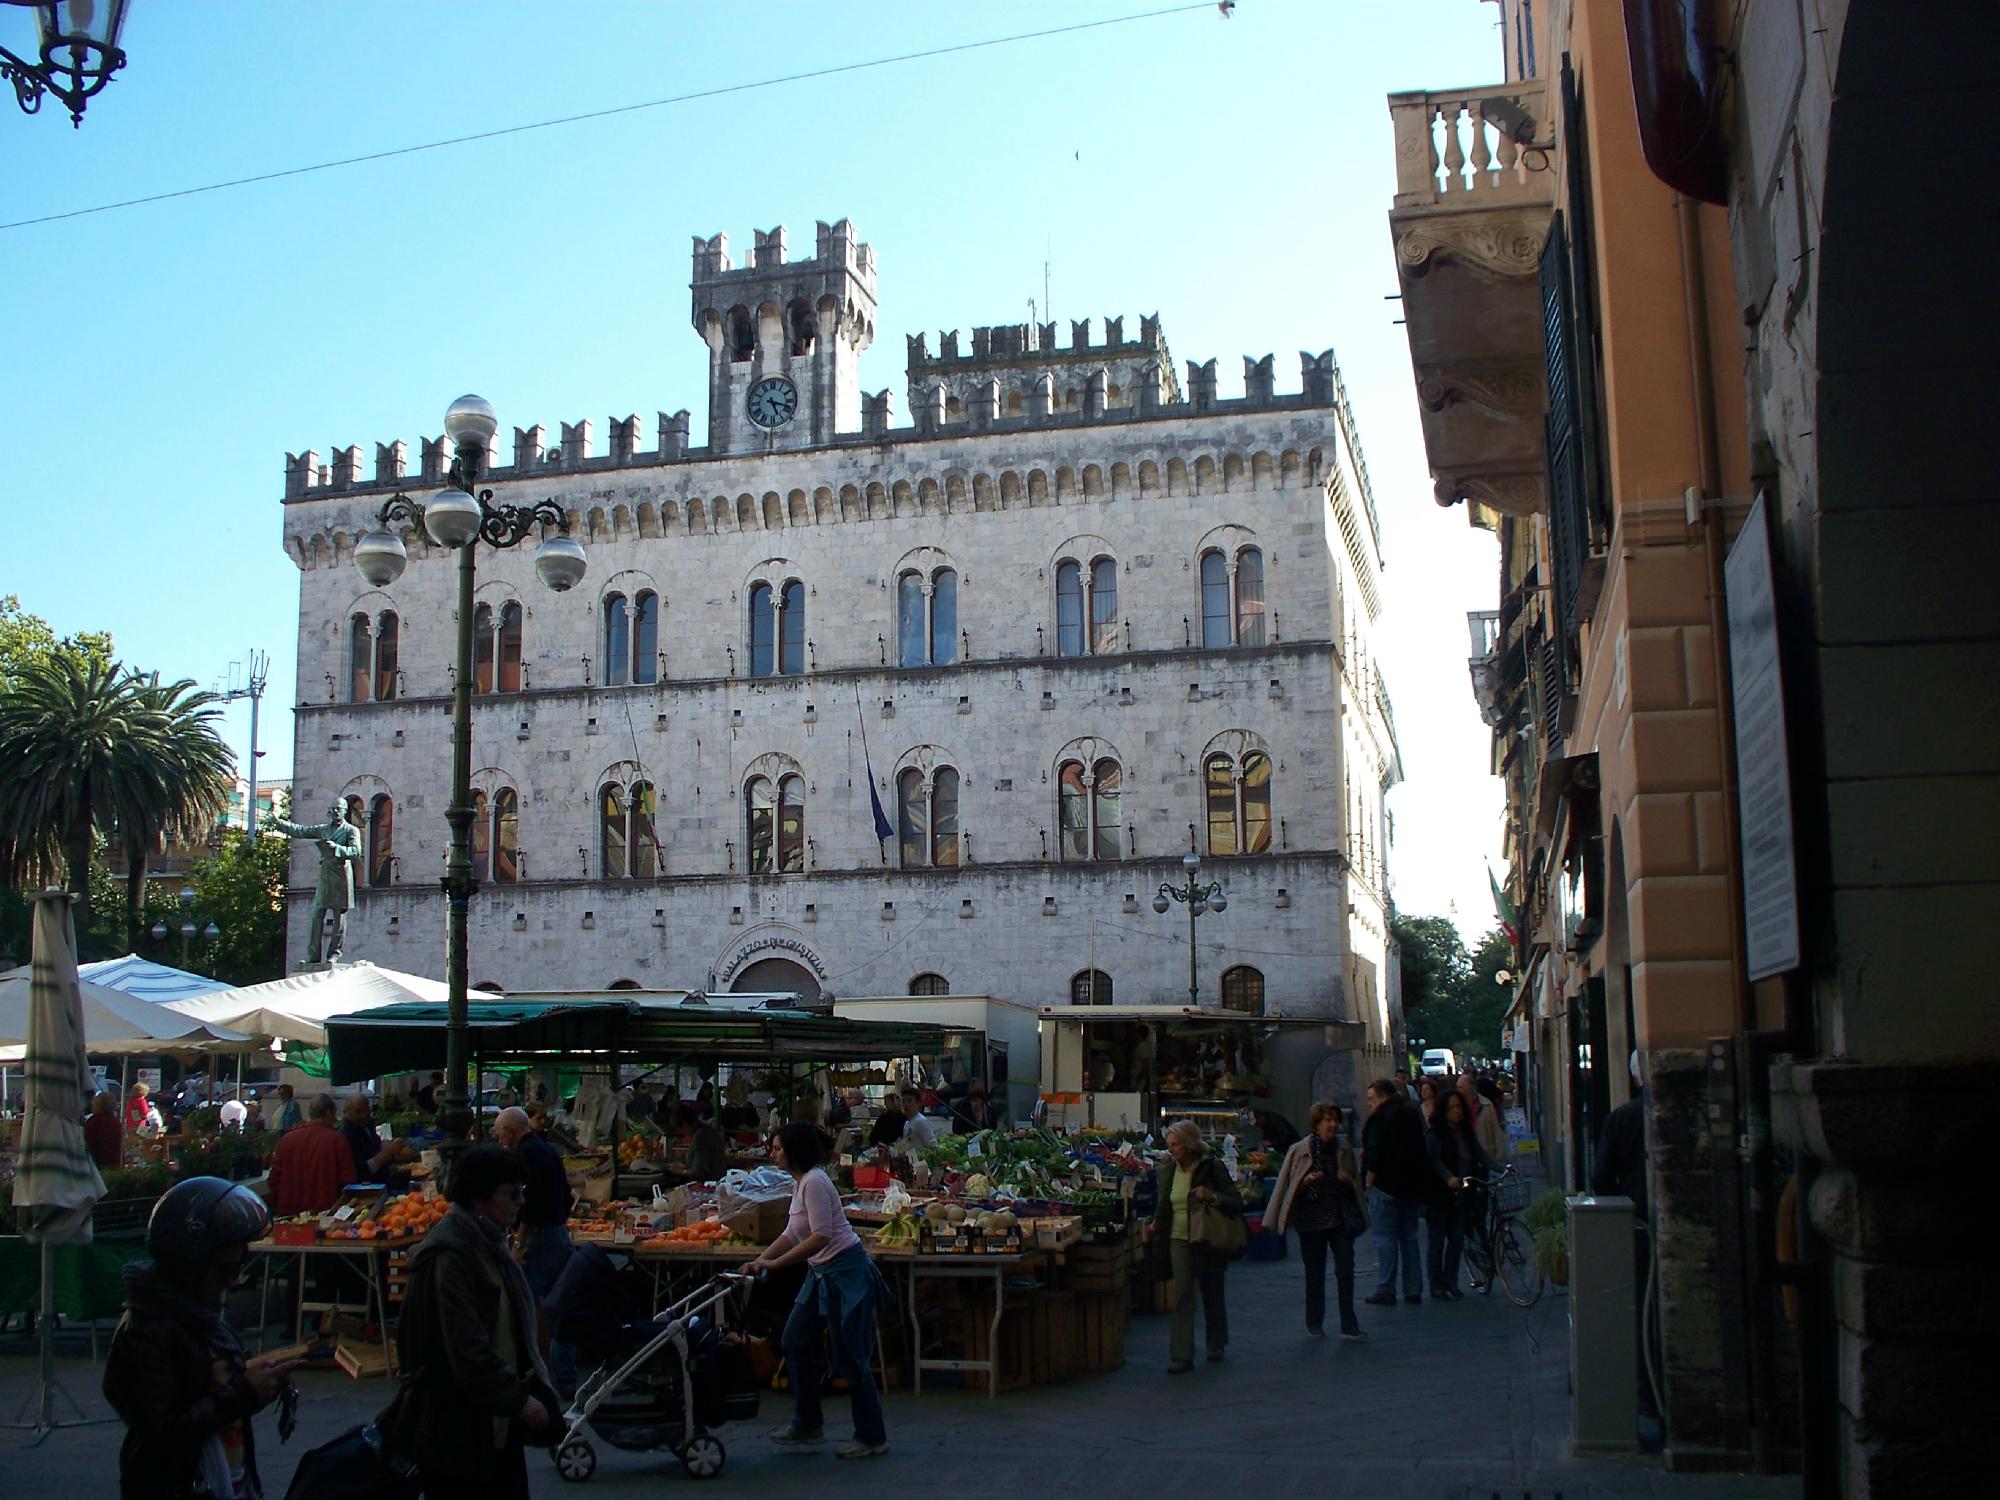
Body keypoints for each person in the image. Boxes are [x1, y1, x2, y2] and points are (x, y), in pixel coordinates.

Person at [378, 1144, 557, 1499]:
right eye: (511, 1194)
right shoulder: (453, 1255)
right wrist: (516, 1399)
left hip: (491, 1424)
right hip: (458, 1428)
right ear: (479, 1199)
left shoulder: (488, 1247)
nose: (520, 1202)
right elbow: (466, 1344)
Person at [103, 1176, 297, 1500]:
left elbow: (210, 1401)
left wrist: (256, 1386)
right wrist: (243, 1391)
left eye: (239, 1267)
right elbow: (164, 1432)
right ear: (189, 1264)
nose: (232, 1281)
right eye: (223, 1270)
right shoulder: (146, 1332)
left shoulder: (200, 1320)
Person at [752, 1121, 891, 1460]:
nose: (773, 1152)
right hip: (820, 1275)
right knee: (794, 1340)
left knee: (851, 1357)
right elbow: (792, 1231)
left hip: (846, 1272)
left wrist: (778, 1264)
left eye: (778, 1147)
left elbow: (822, 1235)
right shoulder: (800, 1183)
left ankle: (872, 1436)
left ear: (794, 1151)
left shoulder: (814, 1181)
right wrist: (760, 1259)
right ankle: (808, 1423)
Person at [1144, 1120, 1243, 1371]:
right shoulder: (1167, 1170)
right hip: (1178, 1238)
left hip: (1207, 1237)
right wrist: (1155, 1222)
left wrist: (1212, 1196)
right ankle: (1181, 1354)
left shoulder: (1212, 1168)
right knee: (1182, 1295)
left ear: (1189, 1146)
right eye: (1169, 1145)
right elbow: (1164, 1204)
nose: (1171, 1150)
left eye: (1175, 1145)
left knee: (1212, 1292)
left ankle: (1215, 1342)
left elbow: (1236, 1201)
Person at [1264, 1101, 1367, 1340]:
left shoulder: (1343, 1148)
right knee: (1315, 1272)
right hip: (1311, 1219)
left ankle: (1348, 1324)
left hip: (1339, 1217)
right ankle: (1314, 1321)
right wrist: (1305, 1182)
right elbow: (1289, 1186)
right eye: (1327, 1120)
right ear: (1317, 1124)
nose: (1332, 1125)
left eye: (1334, 1120)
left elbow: (1355, 1183)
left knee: (1345, 1269)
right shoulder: (1301, 1150)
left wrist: (1347, 1179)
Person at [495, 1106, 577, 1398]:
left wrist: (518, 1243)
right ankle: (566, 1378)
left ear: (510, 1130)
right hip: (559, 1234)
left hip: (538, 1239)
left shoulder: (523, 1157)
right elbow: (565, 1194)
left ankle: (527, 1377)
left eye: (499, 1132)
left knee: (523, 1309)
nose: (497, 1137)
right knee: (560, 1308)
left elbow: (528, 1205)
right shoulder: (548, 1150)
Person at [1425, 1088, 1501, 1300]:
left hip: (1462, 1196)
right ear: (1443, 1111)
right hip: (1440, 1196)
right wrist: (1448, 1177)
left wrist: (1500, 1168)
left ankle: (1451, 1280)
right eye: (1452, 1108)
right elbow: (1435, 1161)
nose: (1456, 1111)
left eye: (1459, 1107)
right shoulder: (1436, 1134)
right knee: (1437, 1242)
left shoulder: (1466, 1132)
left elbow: (1480, 1154)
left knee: (1457, 1240)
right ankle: (1436, 1284)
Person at [1361, 1079, 1431, 1306]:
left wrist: (1368, 1184)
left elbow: (1375, 1154)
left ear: (1382, 1097)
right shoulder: (1411, 1114)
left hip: (1385, 1186)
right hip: (1410, 1186)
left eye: (1371, 1099)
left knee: (1385, 1240)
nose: (1370, 1104)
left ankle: (1386, 1288)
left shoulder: (1379, 1118)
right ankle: (1413, 1289)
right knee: (1409, 1239)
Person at [268, 1093, 355, 1217]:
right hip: (326, 1215)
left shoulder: (286, 1140)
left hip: (289, 1216)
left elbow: (273, 1180)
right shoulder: (337, 1140)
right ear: (329, 1112)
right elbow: (348, 1181)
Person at [341, 1092, 408, 1183]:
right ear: (346, 1112)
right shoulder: (346, 1136)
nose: (364, 1115)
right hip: (368, 1189)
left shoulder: (367, 1126)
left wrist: (393, 1156)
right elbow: (362, 1172)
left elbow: (375, 1150)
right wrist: (388, 1152)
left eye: (366, 1109)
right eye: (357, 1111)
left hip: (384, 1180)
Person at [669, 1100, 726, 1184]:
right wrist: (685, 1166)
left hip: (707, 1186)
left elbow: (699, 1171)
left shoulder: (700, 1137)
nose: (681, 1133)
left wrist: (681, 1171)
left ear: (685, 1124)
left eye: (679, 1129)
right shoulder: (709, 1130)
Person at [85, 1090, 123, 1169]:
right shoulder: (114, 1119)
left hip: (100, 1164)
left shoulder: (95, 1121)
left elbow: (89, 1143)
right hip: (114, 1161)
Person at [896, 1086, 940, 1151]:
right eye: (903, 1101)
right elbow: (905, 1146)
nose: (906, 1104)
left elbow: (933, 1145)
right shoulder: (907, 1123)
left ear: (918, 1104)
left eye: (909, 1101)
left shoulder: (921, 1121)